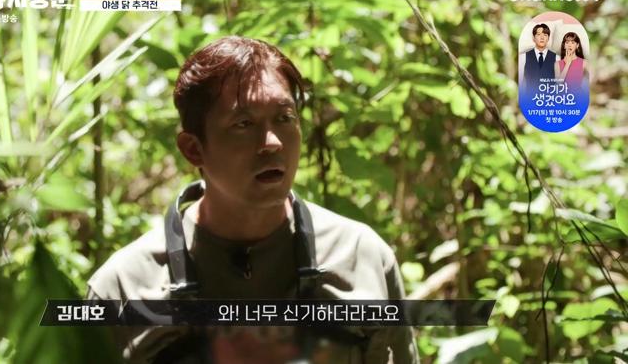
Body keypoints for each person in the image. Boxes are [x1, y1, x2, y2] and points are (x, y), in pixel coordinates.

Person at [87, 36, 419, 363]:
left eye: (284, 118)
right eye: (243, 123)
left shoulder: (362, 257)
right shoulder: (122, 288)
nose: (272, 142)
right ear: (193, 149)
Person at [519, 23, 558, 90]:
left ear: (548, 38)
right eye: (538, 34)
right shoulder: (523, 57)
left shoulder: (557, 58)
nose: (542, 38)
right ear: (534, 38)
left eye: (545, 35)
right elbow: (521, 84)